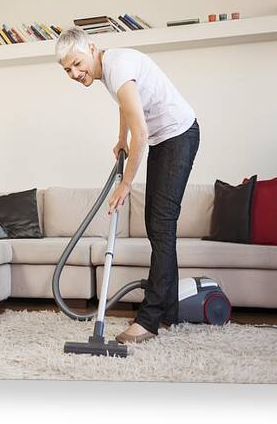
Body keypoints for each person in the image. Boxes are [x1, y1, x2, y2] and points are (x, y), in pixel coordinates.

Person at [55, 27, 200, 344]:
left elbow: (143, 135)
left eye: (78, 63)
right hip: (167, 138)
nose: (75, 73)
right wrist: (121, 138)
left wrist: (126, 185)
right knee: (158, 225)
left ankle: (149, 321)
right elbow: (126, 104)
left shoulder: (117, 67)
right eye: (67, 69)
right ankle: (168, 312)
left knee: (161, 224)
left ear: (91, 48)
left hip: (178, 133)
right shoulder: (108, 69)